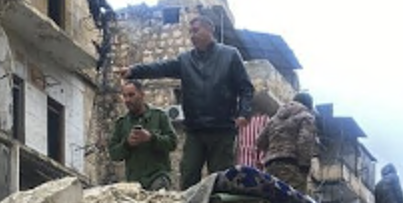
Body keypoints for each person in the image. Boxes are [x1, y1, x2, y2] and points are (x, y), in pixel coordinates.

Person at [123, 15, 253, 189]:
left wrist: (244, 113)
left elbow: (246, 88)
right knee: (188, 177)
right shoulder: (185, 60)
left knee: (221, 180)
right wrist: (134, 71)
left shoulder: (230, 55)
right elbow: (160, 67)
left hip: (222, 130)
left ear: (210, 29)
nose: (192, 35)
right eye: (190, 31)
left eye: (196, 30)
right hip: (194, 131)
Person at [107, 80, 178, 191]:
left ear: (142, 95)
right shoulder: (121, 123)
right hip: (135, 183)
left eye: (131, 95)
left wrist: (151, 138)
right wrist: (127, 144)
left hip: (157, 176)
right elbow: (114, 154)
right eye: (124, 96)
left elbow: (172, 143)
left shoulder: (159, 116)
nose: (127, 100)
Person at [257, 91, 318, 193]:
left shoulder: (274, 119)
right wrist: (304, 166)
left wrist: (274, 150)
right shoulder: (306, 117)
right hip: (291, 166)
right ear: (309, 105)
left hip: (270, 166)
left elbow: (260, 142)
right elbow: (304, 142)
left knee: (271, 201)